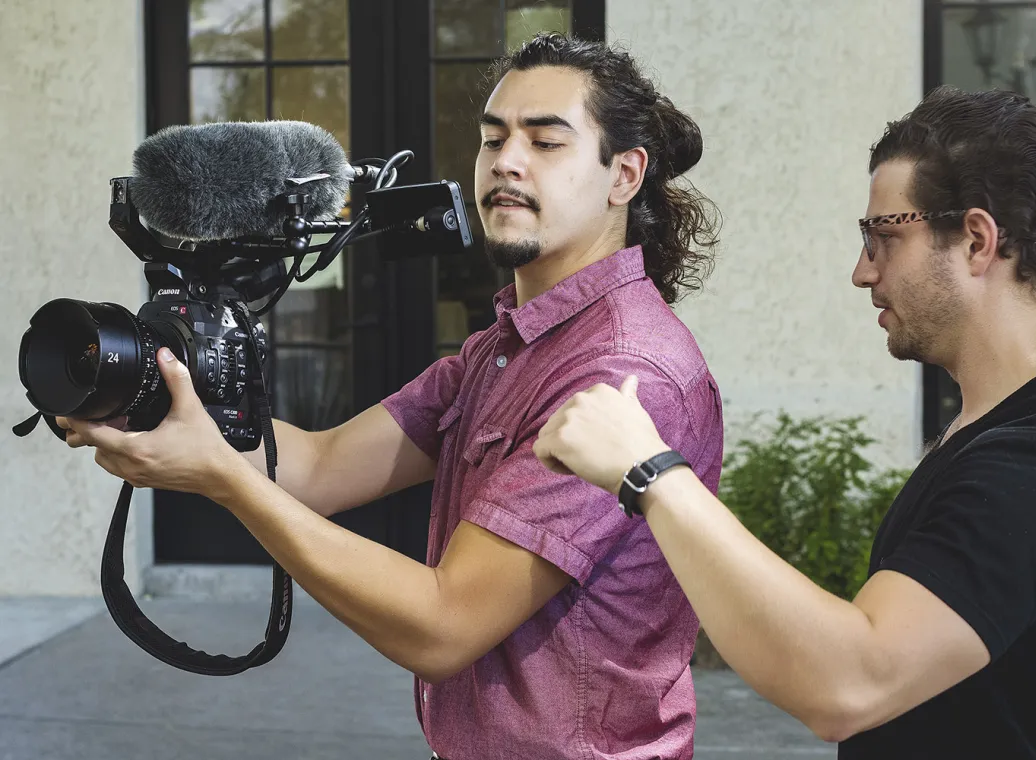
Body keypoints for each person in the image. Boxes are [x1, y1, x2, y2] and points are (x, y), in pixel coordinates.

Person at [58, 33, 724, 760]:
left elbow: (443, 625)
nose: (505, 160)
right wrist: (152, 401)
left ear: (624, 174)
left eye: (546, 141)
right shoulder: (503, 350)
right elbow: (319, 465)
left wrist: (220, 478)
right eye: (492, 137)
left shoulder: (622, 373)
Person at [534, 85, 1036, 759]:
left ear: (975, 239)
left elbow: (848, 682)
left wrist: (649, 471)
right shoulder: (1003, 426)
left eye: (884, 237)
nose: (861, 272)